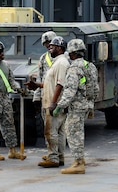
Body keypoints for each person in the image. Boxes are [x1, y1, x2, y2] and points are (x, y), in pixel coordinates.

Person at [53, 39, 91, 174]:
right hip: (85, 105)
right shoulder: (89, 66)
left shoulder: (74, 68)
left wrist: (59, 106)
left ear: (73, 53)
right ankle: (80, 160)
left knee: (73, 133)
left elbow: (70, 90)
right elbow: (95, 88)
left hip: (75, 106)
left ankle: (78, 163)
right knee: (79, 132)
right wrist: (90, 104)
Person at [30, 36, 69, 168]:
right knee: (59, 132)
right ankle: (59, 157)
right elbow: (51, 83)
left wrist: (53, 103)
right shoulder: (56, 62)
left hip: (54, 103)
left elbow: (60, 84)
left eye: (52, 46)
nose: (49, 47)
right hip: (53, 101)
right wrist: (37, 85)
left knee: (51, 131)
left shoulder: (61, 63)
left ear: (59, 48)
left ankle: (53, 158)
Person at [30, 31, 57, 113]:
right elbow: (39, 77)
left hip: (59, 95)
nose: (48, 45)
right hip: (46, 95)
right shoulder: (43, 58)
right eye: (46, 43)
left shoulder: (65, 57)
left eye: (50, 42)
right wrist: (37, 98)